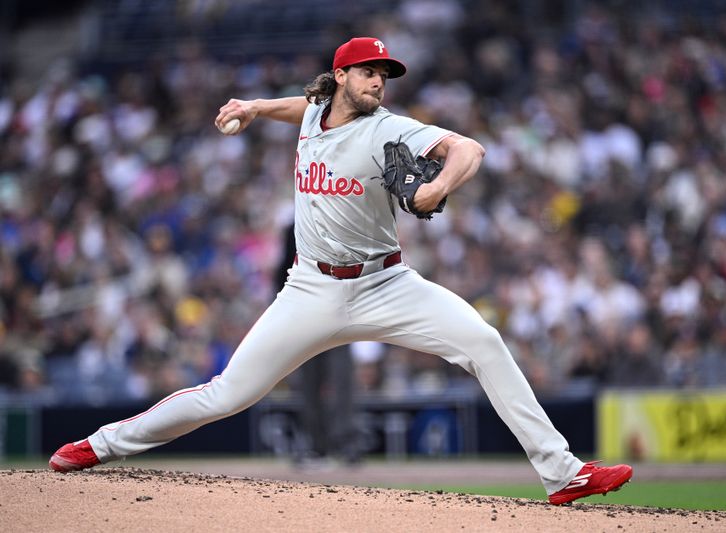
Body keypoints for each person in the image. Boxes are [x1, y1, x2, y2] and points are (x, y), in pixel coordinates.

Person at [49, 36, 632, 505]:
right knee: (227, 394)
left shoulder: (388, 128)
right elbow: (299, 109)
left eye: (385, 73)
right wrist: (253, 107)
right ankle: (99, 445)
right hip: (311, 289)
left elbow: (470, 149)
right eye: (370, 71)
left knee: (483, 340)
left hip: (387, 284)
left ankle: (563, 474)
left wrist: (436, 186)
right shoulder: (312, 115)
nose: (380, 80)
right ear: (342, 78)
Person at [276, 222, 360, 466]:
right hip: (306, 317)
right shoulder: (293, 227)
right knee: (309, 385)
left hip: (339, 315)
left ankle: (347, 445)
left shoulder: (340, 223)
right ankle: (316, 445)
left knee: (342, 383)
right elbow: (284, 271)